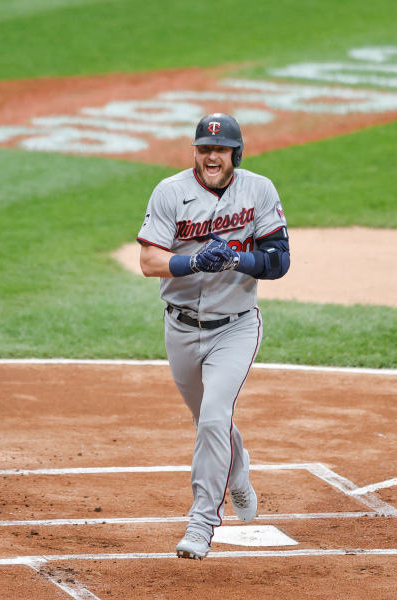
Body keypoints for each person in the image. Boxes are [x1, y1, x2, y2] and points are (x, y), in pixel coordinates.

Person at [136, 113, 291, 560]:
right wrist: (195, 263)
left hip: (236, 327)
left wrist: (237, 259)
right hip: (180, 327)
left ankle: (201, 523)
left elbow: (279, 261)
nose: (211, 157)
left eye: (219, 151)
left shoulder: (259, 190)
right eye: (204, 149)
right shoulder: (170, 192)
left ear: (234, 154)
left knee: (212, 417)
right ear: (196, 152)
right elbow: (149, 261)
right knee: (207, 418)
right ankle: (238, 473)